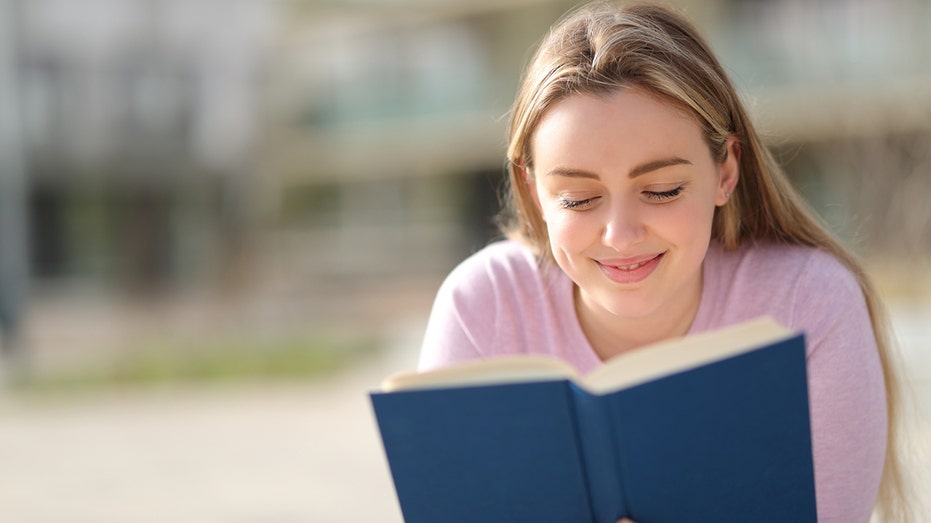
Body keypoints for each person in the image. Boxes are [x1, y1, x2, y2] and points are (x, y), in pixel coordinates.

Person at [417, 1, 910, 522]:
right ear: (534, 191)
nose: (621, 236)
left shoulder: (807, 305)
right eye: (579, 199)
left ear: (725, 172)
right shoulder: (482, 309)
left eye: (662, 190)